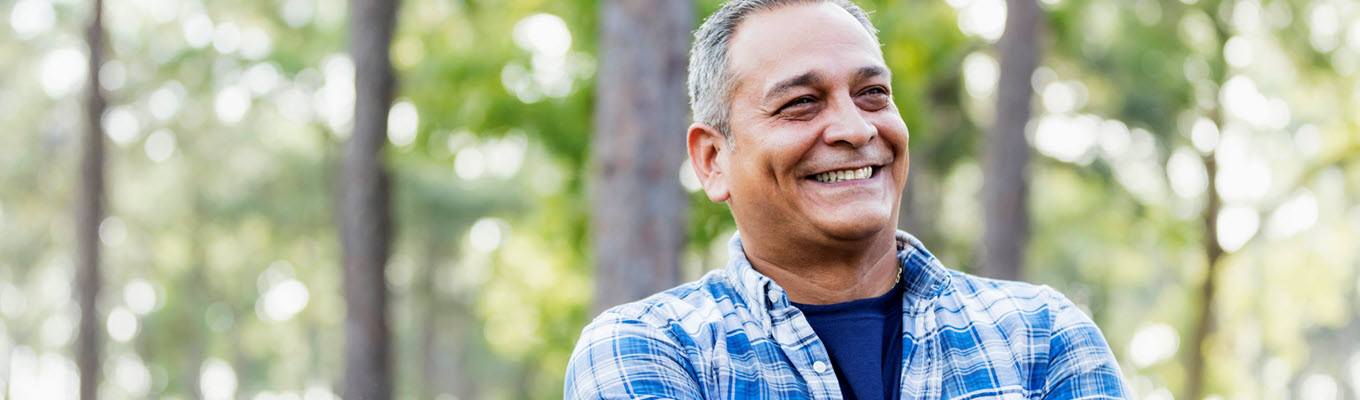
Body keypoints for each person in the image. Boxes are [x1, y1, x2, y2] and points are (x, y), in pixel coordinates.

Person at [565, 0, 1131, 398]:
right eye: (802, 103)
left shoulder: (1041, 337)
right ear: (713, 161)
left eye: (873, 94)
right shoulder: (650, 351)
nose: (856, 129)